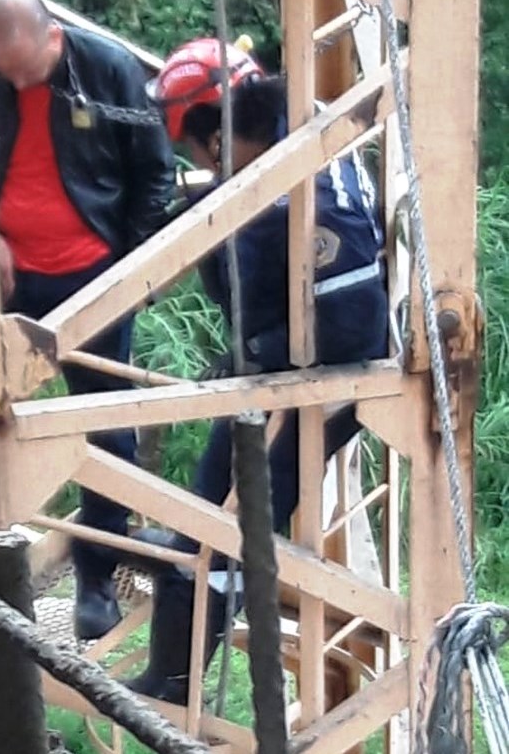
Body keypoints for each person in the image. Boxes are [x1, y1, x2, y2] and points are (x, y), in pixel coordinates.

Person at [125, 38, 389, 703]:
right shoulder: (295, 138)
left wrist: (260, 354)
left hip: (315, 387)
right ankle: (174, 667)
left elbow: (353, 322)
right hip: (284, 371)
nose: (196, 164)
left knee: (225, 529)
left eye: (194, 150)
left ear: (218, 136)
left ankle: (177, 683)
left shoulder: (307, 194)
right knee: (209, 518)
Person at [0, 0, 176, 640]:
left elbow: (155, 172)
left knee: (105, 428)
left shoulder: (108, 71)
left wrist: (126, 275)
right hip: (7, 279)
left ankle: (97, 576)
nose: (14, 83)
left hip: (92, 276)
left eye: (25, 72)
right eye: (2, 71)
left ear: (54, 41)